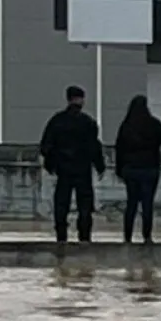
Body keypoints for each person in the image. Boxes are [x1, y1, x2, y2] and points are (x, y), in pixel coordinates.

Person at [38, 85, 105, 243]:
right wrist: (99, 165)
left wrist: (51, 163)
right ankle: (84, 235)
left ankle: (61, 234)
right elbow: (94, 146)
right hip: (82, 169)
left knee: (61, 203)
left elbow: (46, 145)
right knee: (85, 204)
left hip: (63, 168)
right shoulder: (87, 122)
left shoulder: (57, 121)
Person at [112, 94, 161, 244]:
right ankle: (147, 236)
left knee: (131, 203)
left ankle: (127, 236)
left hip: (130, 170)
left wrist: (119, 170)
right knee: (147, 203)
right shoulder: (153, 124)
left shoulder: (126, 126)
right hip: (149, 169)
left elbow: (119, 149)